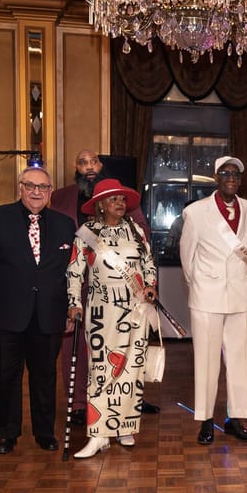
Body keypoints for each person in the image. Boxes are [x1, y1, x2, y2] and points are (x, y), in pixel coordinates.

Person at [0, 166, 75, 455]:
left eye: (42, 187)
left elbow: (71, 271)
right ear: (19, 188)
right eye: (30, 185)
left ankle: (45, 433)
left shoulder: (65, 224)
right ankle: (7, 434)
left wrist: (70, 308)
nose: (35, 192)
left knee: (45, 378)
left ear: (50, 191)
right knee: (7, 377)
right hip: (6, 314)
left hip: (49, 314)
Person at [50, 149, 154, 425]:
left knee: (118, 348)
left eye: (93, 161)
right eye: (82, 162)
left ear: (101, 164)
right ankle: (79, 405)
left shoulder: (122, 198)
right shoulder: (60, 197)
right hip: (75, 282)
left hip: (117, 288)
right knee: (76, 346)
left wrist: (145, 283)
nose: (88, 167)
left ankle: (121, 402)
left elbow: (143, 245)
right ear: (76, 168)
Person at [66, 179, 159, 457]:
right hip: (100, 312)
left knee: (131, 370)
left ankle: (124, 427)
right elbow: (73, 272)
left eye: (122, 199)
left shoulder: (137, 231)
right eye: (113, 200)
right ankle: (98, 434)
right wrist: (74, 303)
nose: (120, 204)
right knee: (101, 370)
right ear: (100, 205)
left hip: (136, 309)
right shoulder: (86, 234)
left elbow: (149, 263)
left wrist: (151, 284)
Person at [180, 156, 247, 445]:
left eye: (236, 174)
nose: (231, 178)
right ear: (215, 178)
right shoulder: (196, 212)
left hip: (241, 295)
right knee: (207, 362)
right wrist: (201, 286)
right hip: (207, 297)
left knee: (240, 360)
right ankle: (206, 420)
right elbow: (187, 258)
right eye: (225, 173)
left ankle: (236, 418)